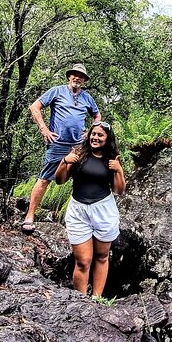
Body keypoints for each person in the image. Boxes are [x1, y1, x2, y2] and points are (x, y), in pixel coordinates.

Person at [21, 63, 101, 235]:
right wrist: (44, 129)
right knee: (44, 179)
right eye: (74, 74)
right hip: (57, 143)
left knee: (83, 180)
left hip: (79, 146)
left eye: (81, 76)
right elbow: (34, 107)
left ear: (84, 80)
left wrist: (92, 132)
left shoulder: (87, 97)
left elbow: (97, 115)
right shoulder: (57, 91)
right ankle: (29, 216)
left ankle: (81, 221)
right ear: (69, 77)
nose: (77, 78)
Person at [55, 121, 125, 297]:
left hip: (103, 211)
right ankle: (80, 300)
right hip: (78, 211)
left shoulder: (112, 158)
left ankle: (97, 299)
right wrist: (64, 161)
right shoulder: (79, 154)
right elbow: (60, 180)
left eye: (100, 135)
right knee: (83, 261)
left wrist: (119, 171)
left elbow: (119, 190)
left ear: (107, 138)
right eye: (93, 134)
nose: (96, 137)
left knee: (102, 257)